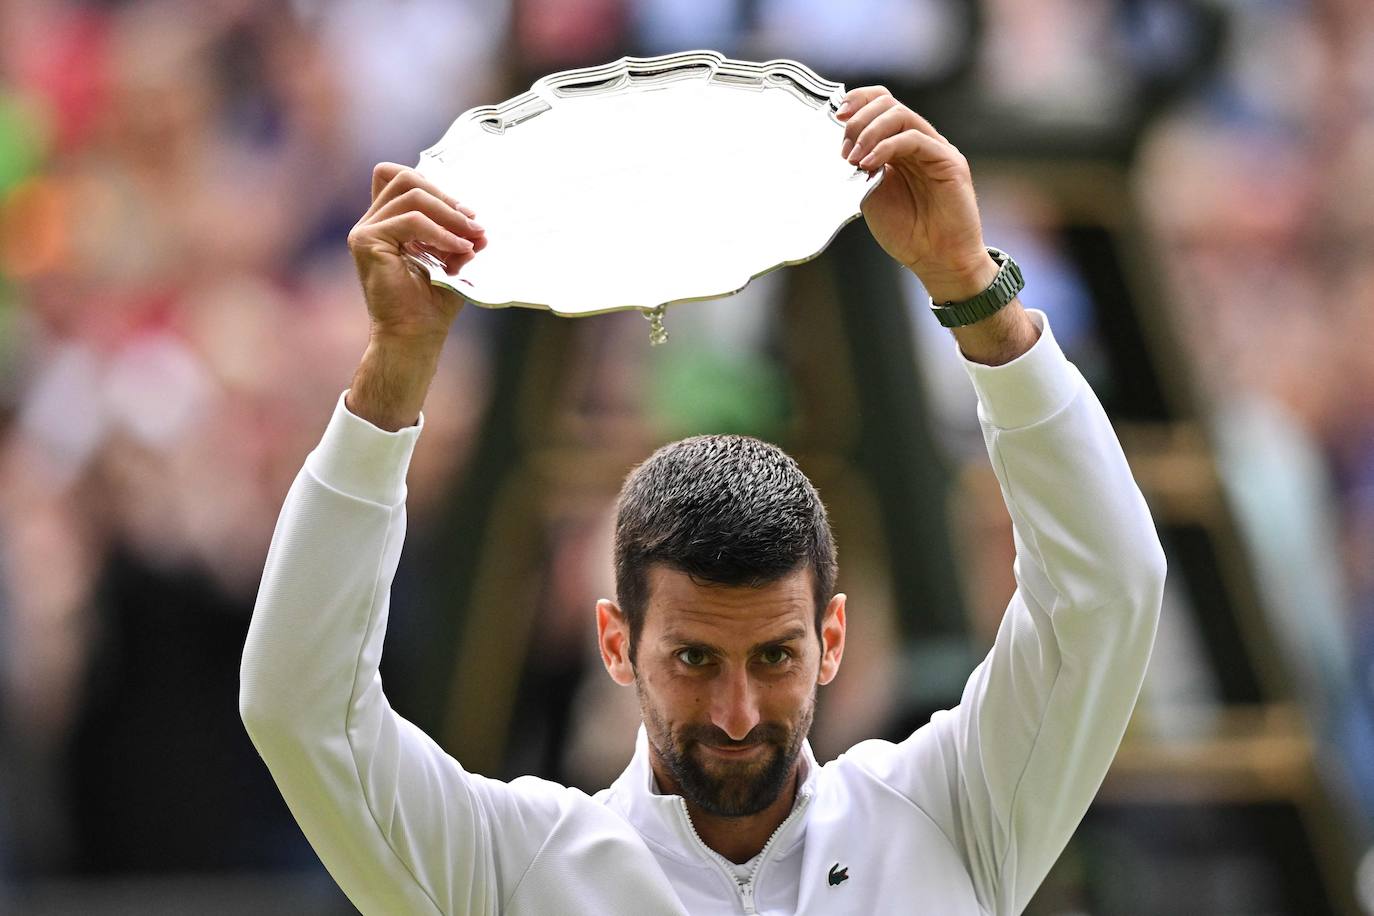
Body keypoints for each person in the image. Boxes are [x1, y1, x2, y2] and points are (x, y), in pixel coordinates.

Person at [240, 85, 1166, 915]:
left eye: (774, 655)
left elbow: (1108, 593)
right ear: (616, 643)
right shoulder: (509, 865)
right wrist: (393, 372)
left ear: (831, 639)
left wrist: (974, 290)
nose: (735, 711)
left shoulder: (950, 816)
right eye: (692, 658)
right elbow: (299, 707)